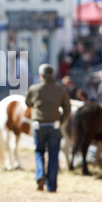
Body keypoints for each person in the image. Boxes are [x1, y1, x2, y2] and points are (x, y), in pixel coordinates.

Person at [25, 64, 71, 192]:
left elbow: (27, 103)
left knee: (39, 151)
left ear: (41, 75)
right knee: (53, 154)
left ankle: (40, 175)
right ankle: (52, 186)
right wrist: (60, 121)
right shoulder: (61, 89)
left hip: (38, 125)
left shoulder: (34, 89)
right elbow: (67, 109)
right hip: (54, 126)